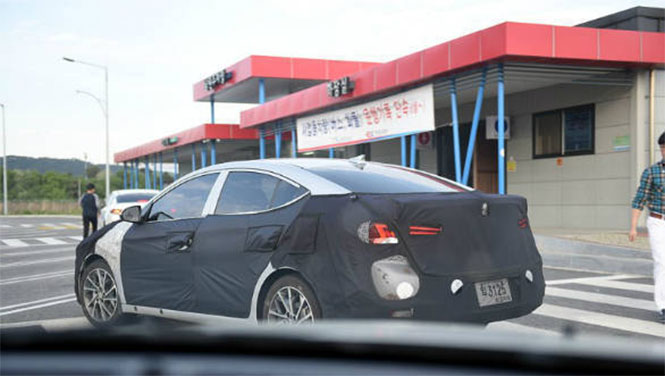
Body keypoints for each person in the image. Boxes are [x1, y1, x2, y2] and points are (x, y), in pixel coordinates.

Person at [629, 131, 665, 324]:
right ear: (661, 149)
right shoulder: (651, 172)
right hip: (658, 222)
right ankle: (663, 306)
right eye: (664, 148)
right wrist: (634, 227)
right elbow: (639, 200)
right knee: (662, 262)